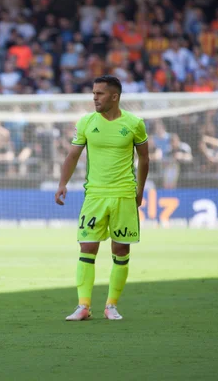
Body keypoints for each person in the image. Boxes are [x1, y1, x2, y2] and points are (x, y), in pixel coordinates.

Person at [55, 76, 149, 321]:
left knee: (120, 249)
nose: (94, 97)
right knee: (87, 247)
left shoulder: (134, 123)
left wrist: (140, 190)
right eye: (93, 93)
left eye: (100, 93)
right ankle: (83, 306)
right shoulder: (86, 122)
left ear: (115, 97)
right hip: (94, 195)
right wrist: (62, 183)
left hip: (123, 195)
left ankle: (111, 305)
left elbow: (144, 159)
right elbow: (73, 155)